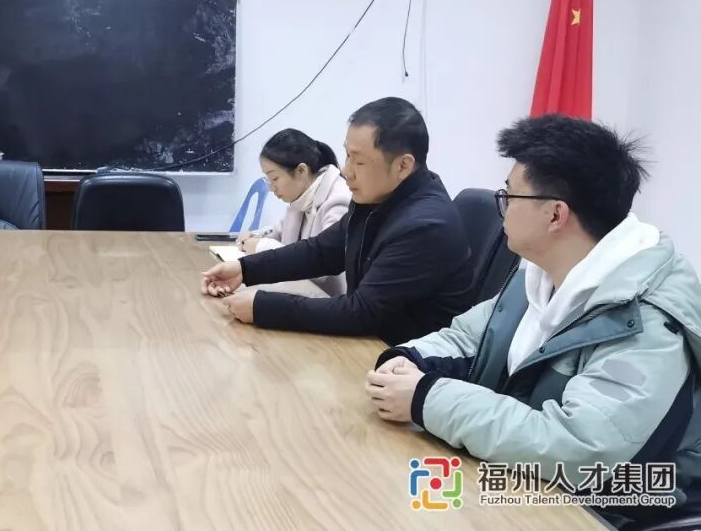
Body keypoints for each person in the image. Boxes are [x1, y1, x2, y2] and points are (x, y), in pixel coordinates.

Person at [365, 115, 701, 528]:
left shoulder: (648, 323)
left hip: (614, 508)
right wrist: (410, 359)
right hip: (525, 479)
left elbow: (577, 447)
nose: (502, 208)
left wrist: (426, 398)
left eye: (509, 196)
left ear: (556, 215)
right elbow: (471, 338)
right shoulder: (542, 272)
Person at [201, 97, 471, 345]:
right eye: (347, 156)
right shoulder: (377, 197)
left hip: (406, 362)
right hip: (370, 345)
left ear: (403, 166)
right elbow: (322, 251)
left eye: (359, 162)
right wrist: (245, 269)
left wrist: (262, 307)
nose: (346, 171)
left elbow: (362, 312)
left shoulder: (425, 226)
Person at [236, 128, 351, 295]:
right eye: (268, 180)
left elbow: (322, 263)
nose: (271, 187)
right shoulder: (302, 198)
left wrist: (260, 246)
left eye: (275, 178)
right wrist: (254, 236)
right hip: (302, 294)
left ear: (301, 171)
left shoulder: (339, 200)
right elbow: (278, 230)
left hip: (328, 301)